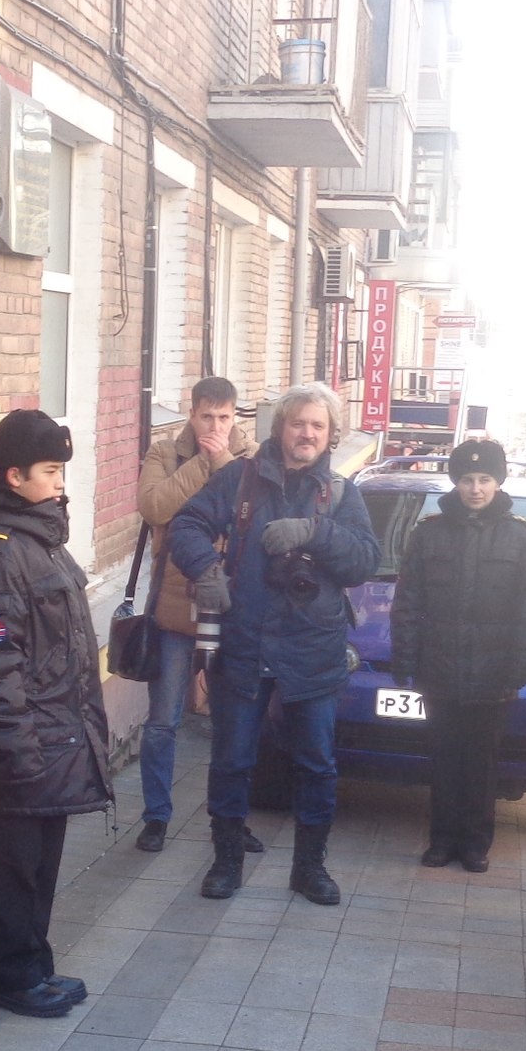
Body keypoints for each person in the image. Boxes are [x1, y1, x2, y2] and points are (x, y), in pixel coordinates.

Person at [170, 383, 378, 905]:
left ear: (330, 435)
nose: (307, 433)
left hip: (313, 650)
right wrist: (206, 569)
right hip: (245, 643)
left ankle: (310, 869)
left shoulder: (340, 493)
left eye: (318, 426)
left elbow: (363, 562)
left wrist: (314, 532)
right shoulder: (240, 480)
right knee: (232, 761)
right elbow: (186, 524)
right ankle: (226, 862)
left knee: (317, 765)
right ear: (280, 427)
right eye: (298, 423)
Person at [0, 408, 113, 1016]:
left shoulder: (41, 542)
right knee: (14, 871)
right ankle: (9, 975)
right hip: (21, 752)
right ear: (14, 476)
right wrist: (18, 753)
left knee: (41, 869)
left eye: (62, 470)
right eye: (50, 471)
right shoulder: (0, 554)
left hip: (53, 745)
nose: (60, 482)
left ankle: (33, 965)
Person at [389, 436, 526, 871]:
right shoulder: (429, 534)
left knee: (481, 763)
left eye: (484, 479)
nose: (475, 489)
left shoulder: (522, 538)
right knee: (444, 759)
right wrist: (404, 660)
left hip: (493, 674)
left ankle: (476, 844)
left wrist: (518, 668)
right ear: (455, 482)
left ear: (498, 482)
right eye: (466, 479)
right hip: (440, 668)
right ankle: (442, 840)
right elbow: (408, 602)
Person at [133, 377, 258, 853]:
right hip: (173, 607)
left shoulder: (254, 458)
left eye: (224, 417)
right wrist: (204, 463)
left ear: (235, 417)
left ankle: (231, 819)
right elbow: (153, 507)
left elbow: (251, 516)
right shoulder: (165, 453)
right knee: (162, 721)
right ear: (191, 414)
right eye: (207, 416)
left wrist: (223, 462)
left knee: (234, 720)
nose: (215, 426)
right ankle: (156, 817)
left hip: (230, 606)